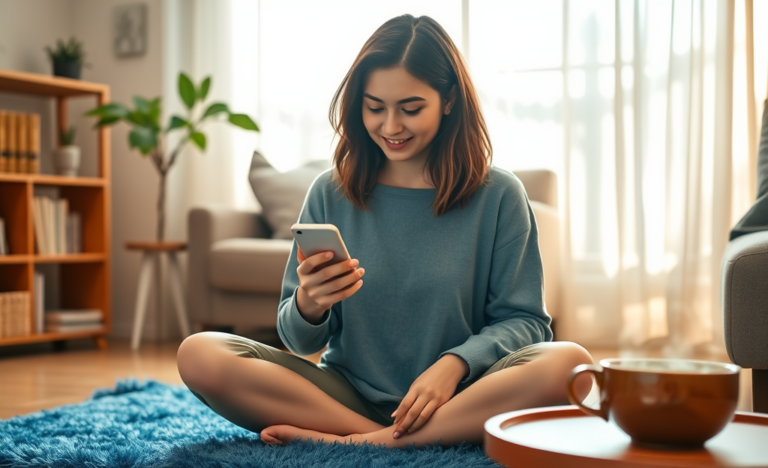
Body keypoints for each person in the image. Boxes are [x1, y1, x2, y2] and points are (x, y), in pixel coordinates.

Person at [176, 14, 593, 449]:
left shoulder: (500, 195)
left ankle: (365, 443)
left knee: (569, 362)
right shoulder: (329, 191)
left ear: (449, 100)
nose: (390, 127)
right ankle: (382, 435)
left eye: (410, 109)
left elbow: (526, 322)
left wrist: (454, 364)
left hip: (460, 396)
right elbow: (297, 340)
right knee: (199, 354)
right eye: (375, 107)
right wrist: (309, 303)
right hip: (345, 397)